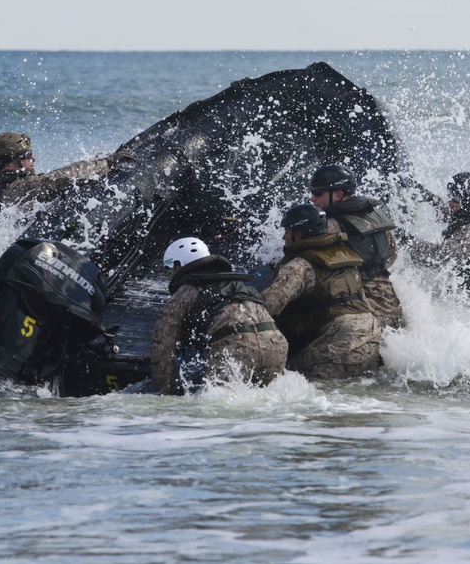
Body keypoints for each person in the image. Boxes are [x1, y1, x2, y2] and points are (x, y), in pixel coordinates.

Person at [151, 237, 288, 394]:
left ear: (178, 267)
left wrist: (164, 391)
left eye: (169, 271)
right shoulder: (240, 286)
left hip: (236, 348)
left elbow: (162, 345)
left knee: (213, 411)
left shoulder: (185, 292)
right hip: (276, 345)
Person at [261, 203, 383, 379]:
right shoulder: (345, 256)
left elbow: (268, 307)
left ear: (299, 234)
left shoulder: (299, 266)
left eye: (287, 231)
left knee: (291, 376)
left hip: (343, 344)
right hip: (372, 338)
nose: (283, 237)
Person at [308, 164, 405, 330]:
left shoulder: (330, 227)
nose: (312, 198)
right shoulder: (378, 218)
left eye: (318, 193)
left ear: (338, 194)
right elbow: (392, 254)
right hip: (391, 302)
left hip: (362, 310)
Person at [403, 172, 470, 297]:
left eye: (455, 199)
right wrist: (427, 195)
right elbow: (449, 211)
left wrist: (407, 240)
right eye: (450, 196)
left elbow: (439, 257)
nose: (450, 202)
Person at [0, 132, 135, 213]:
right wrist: (107, 162)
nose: (33, 158)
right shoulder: (19, 187)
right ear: (9, 162)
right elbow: (61, 177)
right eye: (26, 155)